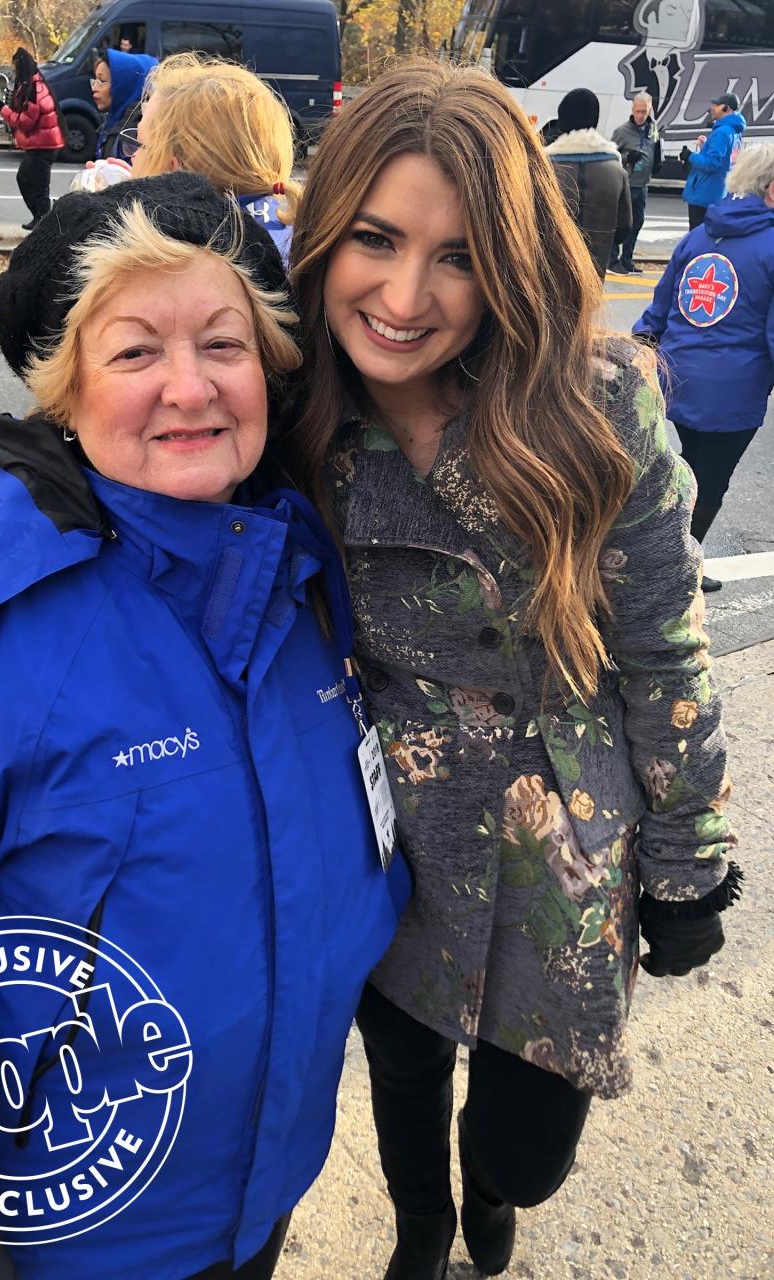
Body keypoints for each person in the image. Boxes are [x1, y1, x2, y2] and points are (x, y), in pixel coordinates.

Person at [0, 171, 408, 1280]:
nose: (190, 387)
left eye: (224, 345)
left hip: (262, 1183)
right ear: (65, 390)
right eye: (136, 352)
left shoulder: (303, 574)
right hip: (73, 1235)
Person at [288, 59, 740, 1279]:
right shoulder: (293, 417)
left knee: (526, 1148)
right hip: (391, 837)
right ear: (324, 231)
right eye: (374, 239)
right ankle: (422, 1224)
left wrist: (691, 856)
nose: (402, 293)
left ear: (513, 257)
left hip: (569, 842)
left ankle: (490, 1193)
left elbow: (662, 638)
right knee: (401, 1074)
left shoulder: (597, 407)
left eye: (458, 252)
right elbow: (133, 418)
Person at [634, 142, 774, 593]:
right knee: (708, 482)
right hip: (731, 390)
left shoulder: (700, 235)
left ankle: (662, 559)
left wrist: (638, 351)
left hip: (677, 376)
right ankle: (673, 571)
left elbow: (660, 308)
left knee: (686, 470)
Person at [129, 53, 298, 263]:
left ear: (175, 173)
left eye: (140, 145)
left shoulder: (175, 263)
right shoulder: (290, 226)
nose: (132, 157)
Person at [544, 87, 632, 279]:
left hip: (548, 275)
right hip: (592, 276)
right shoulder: (616, 171)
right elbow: (624, 229)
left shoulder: (545, 170)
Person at [0, 47, 65, 231]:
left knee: (33, 182)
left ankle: (43, 221)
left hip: (44, 144)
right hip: (42, 142)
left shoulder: (34, 89)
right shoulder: (32, 85)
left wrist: (3, 110)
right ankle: (41, 219)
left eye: (15, 66)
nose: (14, 70)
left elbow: (25, 122)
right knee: (32, 181)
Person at [609, 92, 661, 274]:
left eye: (645, 112)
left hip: (643, 185)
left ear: (650, 110)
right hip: (627, 184)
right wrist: (627, 158)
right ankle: (612, 259)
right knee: (620, 222)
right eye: (638, 111)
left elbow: (654, 145)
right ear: (632, 110)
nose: (641, 116)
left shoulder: (652, 128)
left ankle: (627, 259)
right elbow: (610, 158)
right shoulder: (622, 132)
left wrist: (657, 161)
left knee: (637, 223)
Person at [680, 92, 745, 230]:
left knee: (698, 238)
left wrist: (689, 156)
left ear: (725, 108)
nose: (712, 108)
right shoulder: (735, 131)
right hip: (718, 193)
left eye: (716, 105)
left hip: (705, 195)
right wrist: (705, 147)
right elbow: (726, 160)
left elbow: (712, 164)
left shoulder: (722, 132)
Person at [91, 47, 157, 159]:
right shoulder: (113, 120)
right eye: (94, 80)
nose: (94, 88)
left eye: (102, 81)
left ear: (123, 85)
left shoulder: (135, 131)